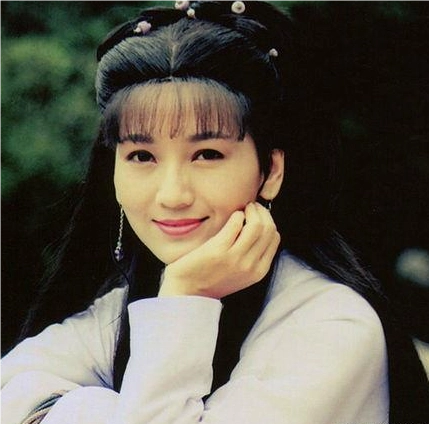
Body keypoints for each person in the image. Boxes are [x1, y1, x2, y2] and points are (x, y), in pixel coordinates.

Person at [0, 0, 428, 423]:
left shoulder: (332, 325)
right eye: (142, 156)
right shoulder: (118, 313)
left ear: (271, 171)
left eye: (207, 154)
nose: (172, 194)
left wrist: (187, 295)